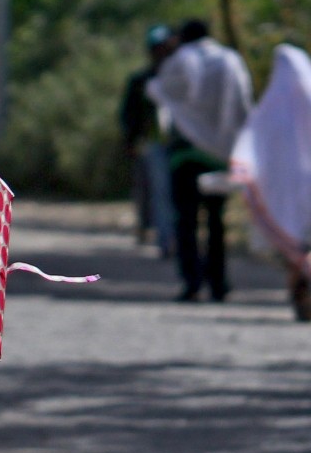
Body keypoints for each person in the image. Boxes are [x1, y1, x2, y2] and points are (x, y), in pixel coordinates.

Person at [151, 19, 254, 301]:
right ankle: (219, 283)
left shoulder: (179, 61)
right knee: (216, 221)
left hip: (184, 155)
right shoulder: (230, 60)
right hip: (219, 155)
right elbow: (243, 103)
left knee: (186, 220)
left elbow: (161, 94)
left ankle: (192, 282)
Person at [231, 44, 311, 320]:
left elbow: (250, 149)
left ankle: (300, 295)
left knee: (295, 249)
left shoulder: (269, 112)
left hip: (282, 194)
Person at [119, 25, 177, 252]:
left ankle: (172, 236)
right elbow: (129, 114)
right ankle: (164, 238)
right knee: (155, 191)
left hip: (179, 144)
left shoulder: (179, 77)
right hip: (152, 144)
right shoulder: (141, 81)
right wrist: (130, 141)